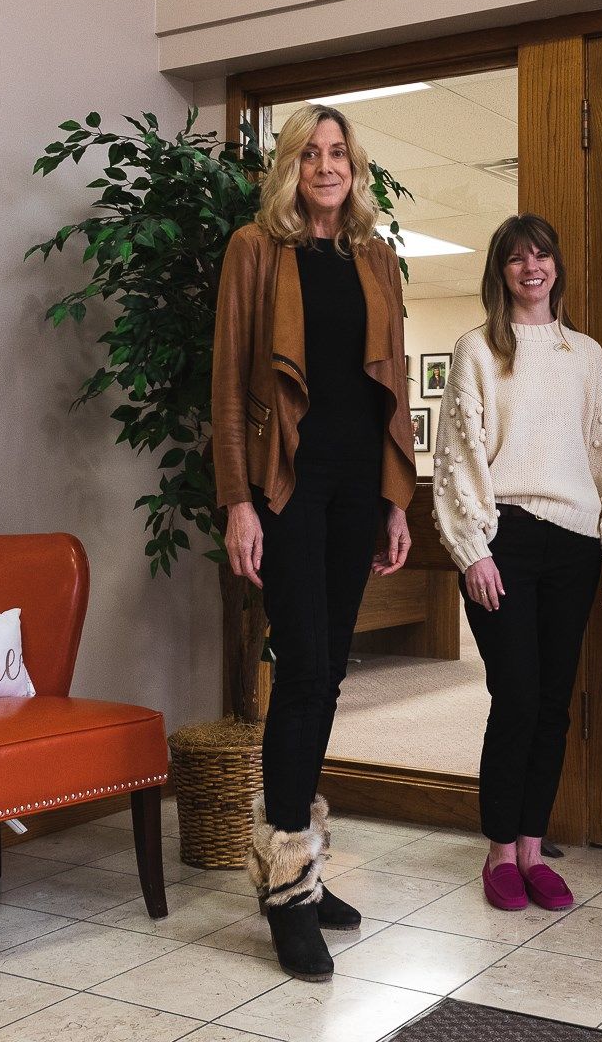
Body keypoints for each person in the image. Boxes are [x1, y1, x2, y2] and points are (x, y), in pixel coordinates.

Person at [212, 103, 416, 981]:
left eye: (340, 153)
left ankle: (300, 858)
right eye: (311, 153)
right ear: (289, 165)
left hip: (354, 491)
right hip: (287, 488)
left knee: (330, 672)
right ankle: (287, 895)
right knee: (300, 672)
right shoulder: (256, 250)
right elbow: (227, 386)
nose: (327, 166)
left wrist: (396, 501)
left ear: (353, 167)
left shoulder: (374, 255)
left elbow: (391, 388)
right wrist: (238, 503)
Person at [432, 214, 602, 912]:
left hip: (576, 542)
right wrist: (472, 552)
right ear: (500, 271)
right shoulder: (477, 351)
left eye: (542, 256)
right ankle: (497, 853)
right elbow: (456, 458)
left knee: (554, 703)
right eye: (516, 258)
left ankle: (531, 846)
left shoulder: (585, 354)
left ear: (556, 267)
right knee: (516, 696)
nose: (531, 268)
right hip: (506, 540)